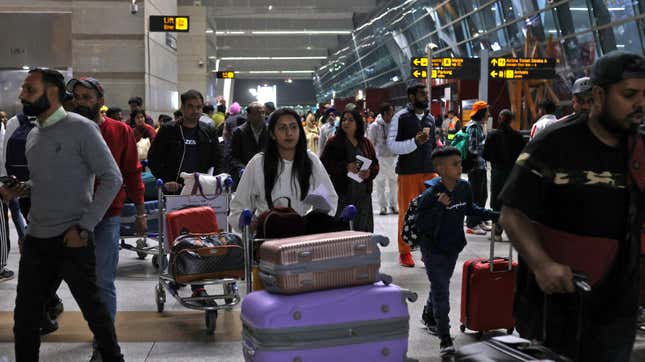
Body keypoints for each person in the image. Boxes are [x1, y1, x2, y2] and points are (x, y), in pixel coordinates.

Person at [499, 51, 645, 361]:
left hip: (618, 306)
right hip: (556, 303)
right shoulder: (555, 143)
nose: (640, 104)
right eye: (629, 94)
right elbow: (512, 213)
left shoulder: (639, 150)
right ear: (598, 95)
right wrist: (541, 264)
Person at [10, 68, 124, 361]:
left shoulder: (82, 129)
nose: (22, 95)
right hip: (37, 240)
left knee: (96, 316)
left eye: (29, 89)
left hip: (71, 239)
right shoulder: (35, 134)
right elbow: (47, 180)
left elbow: (112, 178)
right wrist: (22, 188)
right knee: (25, 320)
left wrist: (84, 226)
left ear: (51, 94)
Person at [67, 76, 146, 360]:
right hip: (72, 215)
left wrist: (140, 211)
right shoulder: (67, 130)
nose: (81, 102)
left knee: (103, 280)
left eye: (87, 97)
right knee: (73, 280)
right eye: (76, 97)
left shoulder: (120, 131)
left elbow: (132, 172)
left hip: (108, 215)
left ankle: (104, 341)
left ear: (100, 100)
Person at [417, 146, 498, 356]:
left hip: (452, 245)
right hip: (433, 248)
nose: (460, 167)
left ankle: (428, 314)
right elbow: (421, 224)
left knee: (440, 283)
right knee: (442, 289)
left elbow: (471, 210)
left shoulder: (464, 187)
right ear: (440, 168)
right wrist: (439, 207)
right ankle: (445, 338)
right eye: (455, 164)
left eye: (459, 163)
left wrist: (495, 214)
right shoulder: (430, 194)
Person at [147, 89, 224, 303]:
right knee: (178, 238)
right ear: (182, 108)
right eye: (190, 107)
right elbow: (153, 159)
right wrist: (166, 179)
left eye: (198, 107)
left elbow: (218, 159)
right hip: (175, 193)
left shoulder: (207, 131)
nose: (195, 111)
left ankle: (196, 283)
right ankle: (182, 275)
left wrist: (216, 181)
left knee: (200, 239)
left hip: (201, 193)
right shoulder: (169, 130)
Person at [228, 108, 338, 233]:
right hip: (267, 238)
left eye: (293, 127)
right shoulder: (258, 163)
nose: (289, 133)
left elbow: (329, 199)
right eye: (282, 128)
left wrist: (314, 222)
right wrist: (251, 225)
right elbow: (238, 208)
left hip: (302, 236)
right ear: (272, 134)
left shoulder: (311, 161)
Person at [387, 83, 438, 267]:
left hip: (429, 171)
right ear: (411, 97)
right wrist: (414, 142)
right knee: (406, 213)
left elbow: (433, 144)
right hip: (408, 171)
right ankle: (404, 251)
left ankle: (426, 250)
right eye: (422, 94)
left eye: (427, 93)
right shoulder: (400, 117)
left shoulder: (431, 118)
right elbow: (392, 145)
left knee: (430, 213)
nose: (426, 96)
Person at [321, 109, 379, 232]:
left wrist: (369, 173)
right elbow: (324, 165)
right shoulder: (333, 142)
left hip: (363, 194)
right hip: (342, 193)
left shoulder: (365, 143)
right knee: (342, 229)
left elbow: (375, 164)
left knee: (363, 228)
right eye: (344, 120)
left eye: (350, 120)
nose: (346, 122)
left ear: (358, 123)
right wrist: (345, 167)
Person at [482, 109, 526, 240]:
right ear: (511, 120)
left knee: (496, 200)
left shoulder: (492, 135)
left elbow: (485, 155)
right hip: (512, 172)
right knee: (510, 201)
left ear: (500, 118)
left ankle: (497, 232)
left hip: (497, 171)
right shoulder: (518, 137)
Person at [464, 101, 490, 235]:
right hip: (475, 167)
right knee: (475, 196)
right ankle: (471, 224)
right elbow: (472, 149)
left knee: (482, 195)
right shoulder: (474, 127)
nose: (489, 114)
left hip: (480, 165)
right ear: (481, 112)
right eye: (487, 111)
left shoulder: (479, 126)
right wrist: (487, 147)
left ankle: (478, 220)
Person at [227, 102, 268, 188]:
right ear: (248, 116)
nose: (261, 116)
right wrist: (242, 169)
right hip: (244, 178)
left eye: (263, 112)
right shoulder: (239, 132)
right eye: (257, 113)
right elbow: (231, 156)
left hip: (265, 176)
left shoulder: (270, 131)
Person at [367, 102, 398, 215]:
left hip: (393, 158)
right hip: (380, 159)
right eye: (390, 113)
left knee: (394, 183)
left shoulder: (394, 125)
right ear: (385, 113)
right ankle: (383, 207)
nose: (392, 115)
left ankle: (393, 205)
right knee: (380, 184)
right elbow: (370, 143)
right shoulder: (374, 126)